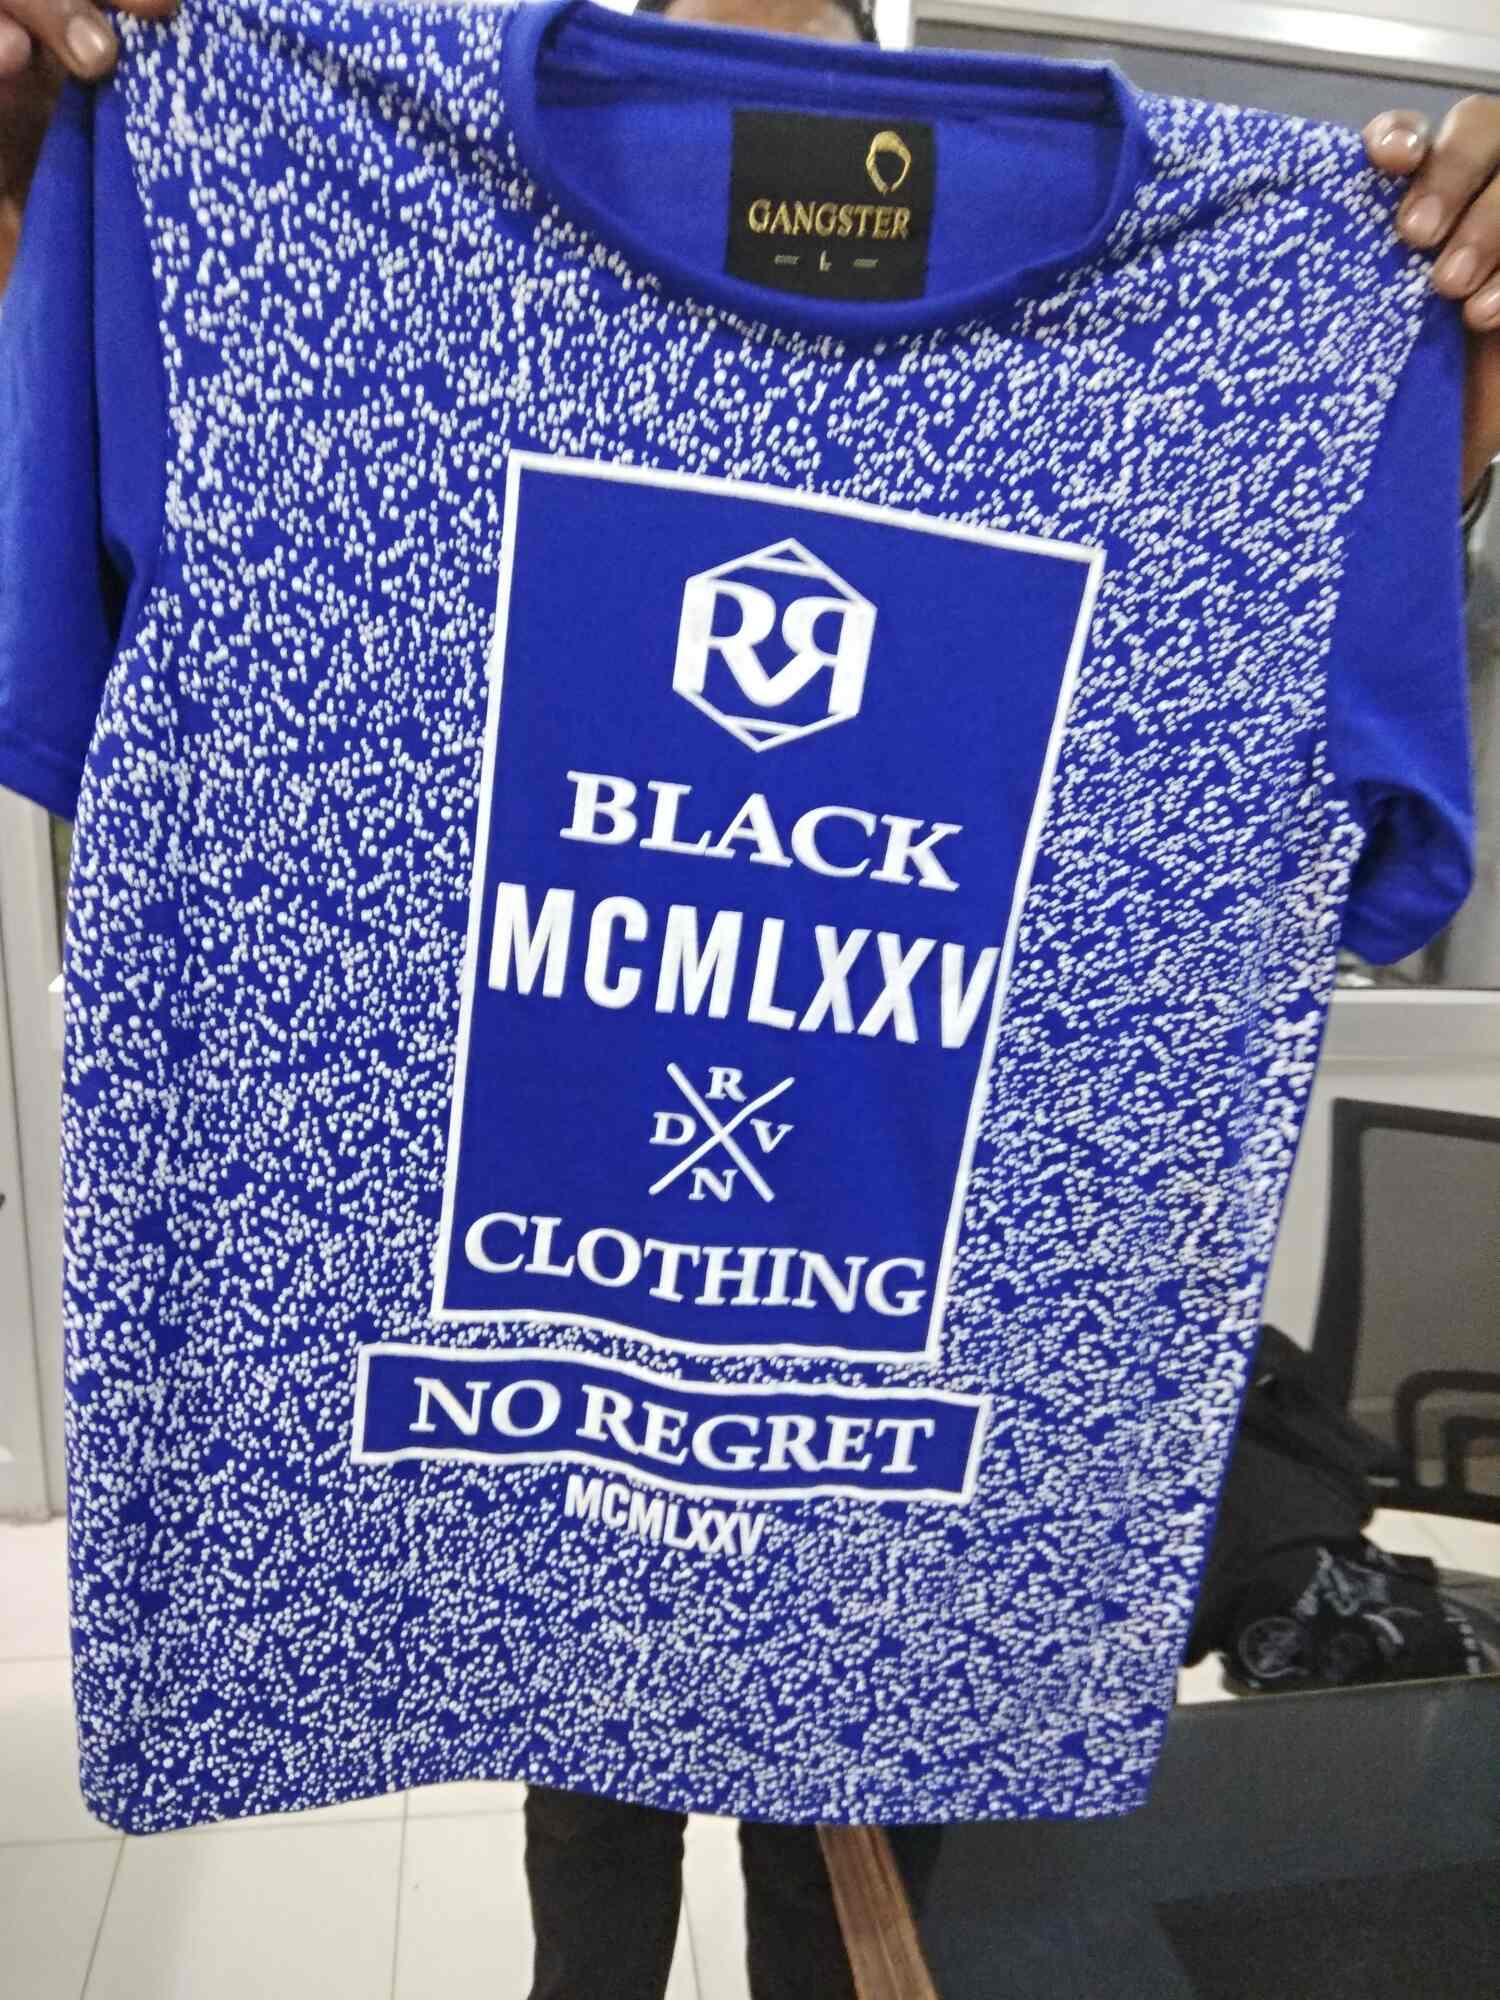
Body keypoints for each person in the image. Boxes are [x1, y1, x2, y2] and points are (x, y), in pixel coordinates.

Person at [0, 3, 1497, 1997]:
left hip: (908, 1506)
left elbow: (1357, 830)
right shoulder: (261, 194)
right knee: (588, 1821)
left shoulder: (1291, 317)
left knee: (850, 1912)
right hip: (508, 1457)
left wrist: (1427, 373)